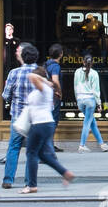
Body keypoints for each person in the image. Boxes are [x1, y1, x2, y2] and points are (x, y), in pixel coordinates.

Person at [20, 65, 77, 193]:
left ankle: (32, 185)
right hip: (46, 124)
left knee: (31, 153)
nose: (31, 81)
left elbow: (31, 76)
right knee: (42, 155)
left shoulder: (43, 88)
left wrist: (44, 80)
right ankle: (65, 173)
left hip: (40, 124)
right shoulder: (43, 89)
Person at [0, 42, 39, 188]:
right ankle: (29, 181)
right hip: (35, 117)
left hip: (18, 116)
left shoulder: (14, 73)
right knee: (32, 149)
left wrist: (13, 100)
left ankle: (8, 180)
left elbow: (5, 95)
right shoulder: (41, 73)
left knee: (14, 147)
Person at [74, 53, 108, 152]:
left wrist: (77, 101)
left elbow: (75, 87)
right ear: (92, 62)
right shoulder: (94, 73)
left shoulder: (77, 72)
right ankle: (82, 145)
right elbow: (96, 91)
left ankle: (102, 144)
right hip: (90, 100)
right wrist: (99, 104)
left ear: (83, 61)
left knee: (91, 122)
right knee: (87, 123)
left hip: (80, 99)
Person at [45, 43, 66, 154]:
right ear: (61, 54)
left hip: (48, 96)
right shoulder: (55, 66)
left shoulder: (47, 64)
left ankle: (50, 144)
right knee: (53, 121)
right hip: (54, 97)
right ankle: (49, 146)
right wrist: (59, 92)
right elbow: (55, 80)